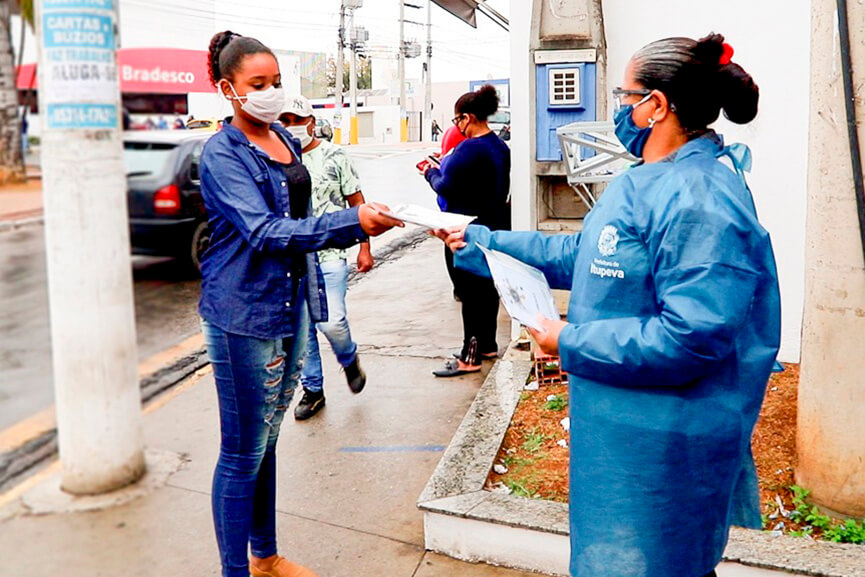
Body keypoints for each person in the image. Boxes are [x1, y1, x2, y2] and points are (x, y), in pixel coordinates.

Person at [435, 34, 780, 577]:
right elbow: (585, 254)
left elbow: (691, 337)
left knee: (661, 562)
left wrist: (567, 340)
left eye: (625, 97)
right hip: (626, 433)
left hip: (664, 442)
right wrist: (483, 243)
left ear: (657, 106)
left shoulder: (701, 198)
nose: (620, 109)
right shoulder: (647, 181)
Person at [199, 31, 402, 577]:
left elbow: (308, 216)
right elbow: (266, 232)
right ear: (227, 89)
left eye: (277, 82)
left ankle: (264, 558)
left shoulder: (284, 139)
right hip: (243, 314)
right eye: (257, 84)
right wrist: (350, 224)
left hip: (291, 308)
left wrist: (358, 223)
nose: (270, 93)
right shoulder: (221, 154)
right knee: (242, 451)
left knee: (266, 443)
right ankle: (235, 571)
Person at [278, 95, 372, 421]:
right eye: (284, 120)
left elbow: (356, 203)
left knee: (331, 321)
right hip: (295, 259)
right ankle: (313, 390)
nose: (291, 127)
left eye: (296, 119)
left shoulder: (335, 156)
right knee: (303, 328)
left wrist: (364, 247)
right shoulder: (277, 161)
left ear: (311, 122)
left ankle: (348, 358)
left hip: (331, 255)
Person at [422, 84, 510, 377]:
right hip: (493, 226)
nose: (457, 126)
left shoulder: (470, 147)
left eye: (457, 120)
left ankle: (469, 357)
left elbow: (445, 185)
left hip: (464, 230)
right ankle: (487, 345)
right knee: (486, 289)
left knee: (469, 293)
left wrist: (429, 172)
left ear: (468, 118)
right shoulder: (500, 146)